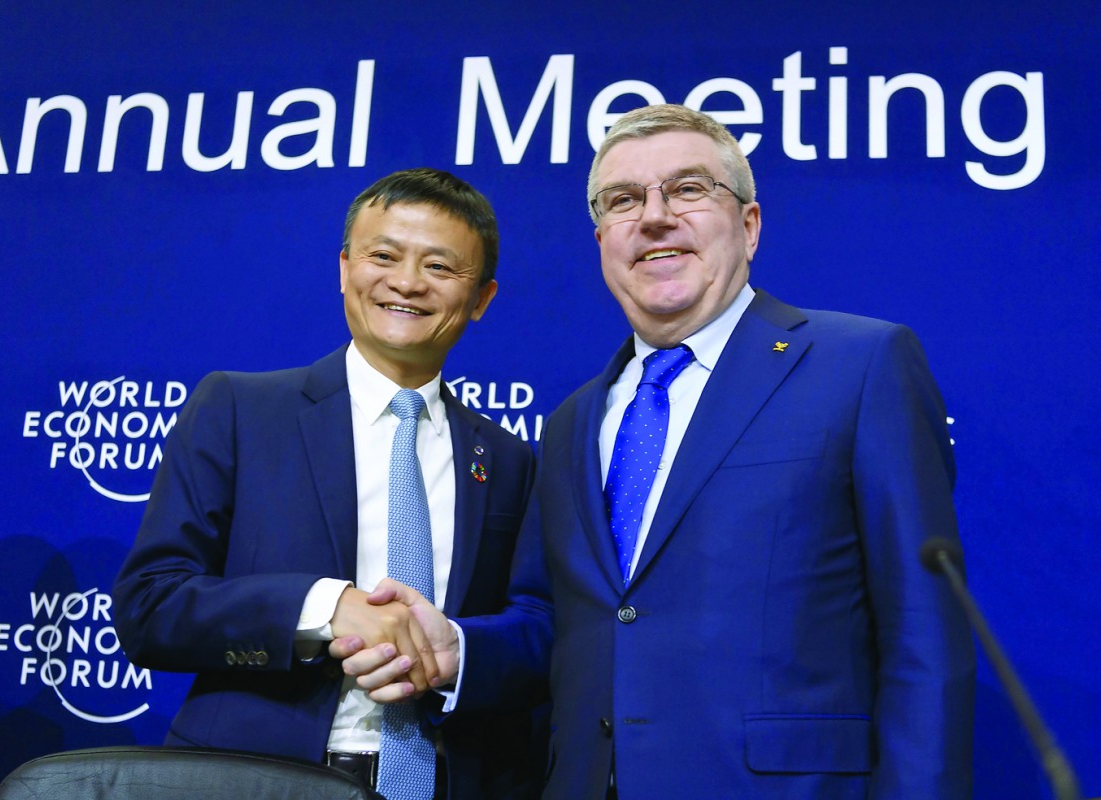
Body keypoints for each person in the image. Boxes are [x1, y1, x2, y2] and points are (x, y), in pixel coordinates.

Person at [341, 105, 975, 798]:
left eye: (688, 189)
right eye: (623, 201)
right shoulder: (575, 421)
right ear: (602, 240)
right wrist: (458, 651)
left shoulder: (860, 364)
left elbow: (925, 637)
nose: (654, 216)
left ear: (749, 225)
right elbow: (556, 623)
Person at [112, 168, 543, 799]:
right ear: (345, 269)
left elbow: (538, 628)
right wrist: (324, 608)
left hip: (446, 782)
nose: (406, 282)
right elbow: (150, 606)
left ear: (481, 298)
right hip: (252, 780)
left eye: (441, 267)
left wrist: (460, 650)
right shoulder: (239, 410)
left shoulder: (509, 461)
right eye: (383, 255)